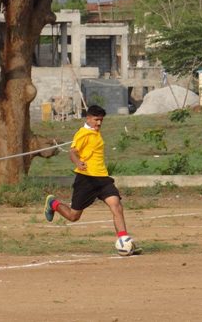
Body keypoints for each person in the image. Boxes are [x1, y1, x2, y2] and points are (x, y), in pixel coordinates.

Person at [44, 105, 139, 253]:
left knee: (116, 205)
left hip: (102, 178)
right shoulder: (82, 134)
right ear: (88, 118)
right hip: (86, 179)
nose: (99, 123)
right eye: (96, 120)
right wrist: (77, 162)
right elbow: (72, 152)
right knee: (73, 216)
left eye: (101, 120)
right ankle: (53, 203)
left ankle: (124, 241)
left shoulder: (95, 132)